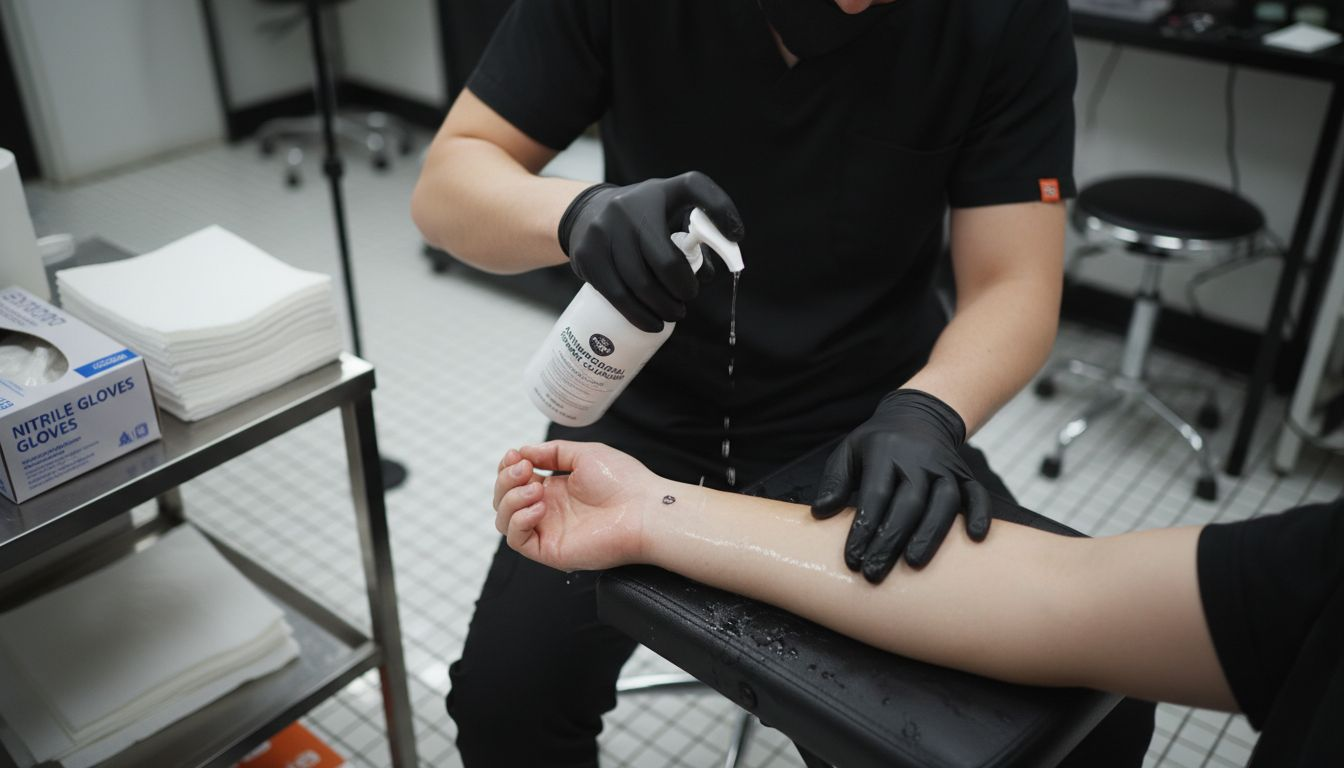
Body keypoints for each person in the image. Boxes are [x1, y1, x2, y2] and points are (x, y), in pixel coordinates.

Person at [411, 0, 1158, 763]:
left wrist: (931, 411)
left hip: (869, 431)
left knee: (1084, 725)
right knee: (507, 706)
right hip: (642, 415)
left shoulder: (1001, 17)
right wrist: (576, 214)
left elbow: (1015, 284)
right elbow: (446, 186)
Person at [493, 440, 1344, 768]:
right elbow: (1066, 596)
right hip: (662, 430)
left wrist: (929, 404)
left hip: (867, 412)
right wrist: (653, 510)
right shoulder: (1318, 576)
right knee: (501, 697)